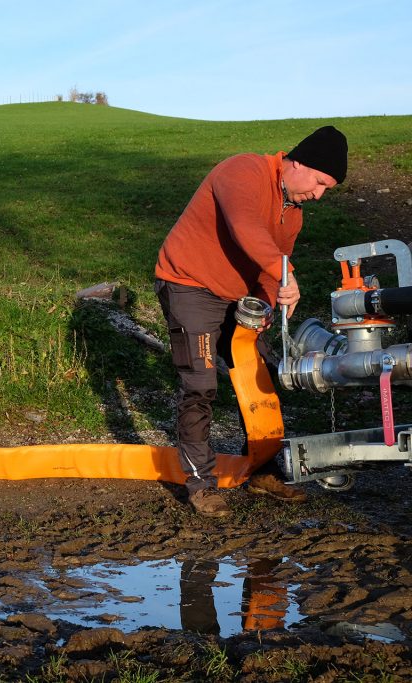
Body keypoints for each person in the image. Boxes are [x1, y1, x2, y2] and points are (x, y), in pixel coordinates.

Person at [154, 125, 348, 517]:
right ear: (297, 162)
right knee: (200, 383)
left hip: (234, 296)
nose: (319, 193)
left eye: (327, 188)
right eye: (319, 182)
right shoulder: (242, 171)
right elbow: (247, 228)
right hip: (189, 283)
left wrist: (266, 303)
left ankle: (260, 470)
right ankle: (201, 485)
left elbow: (266, 274)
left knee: (259, 375)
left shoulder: (293, 215)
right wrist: (286, 274)